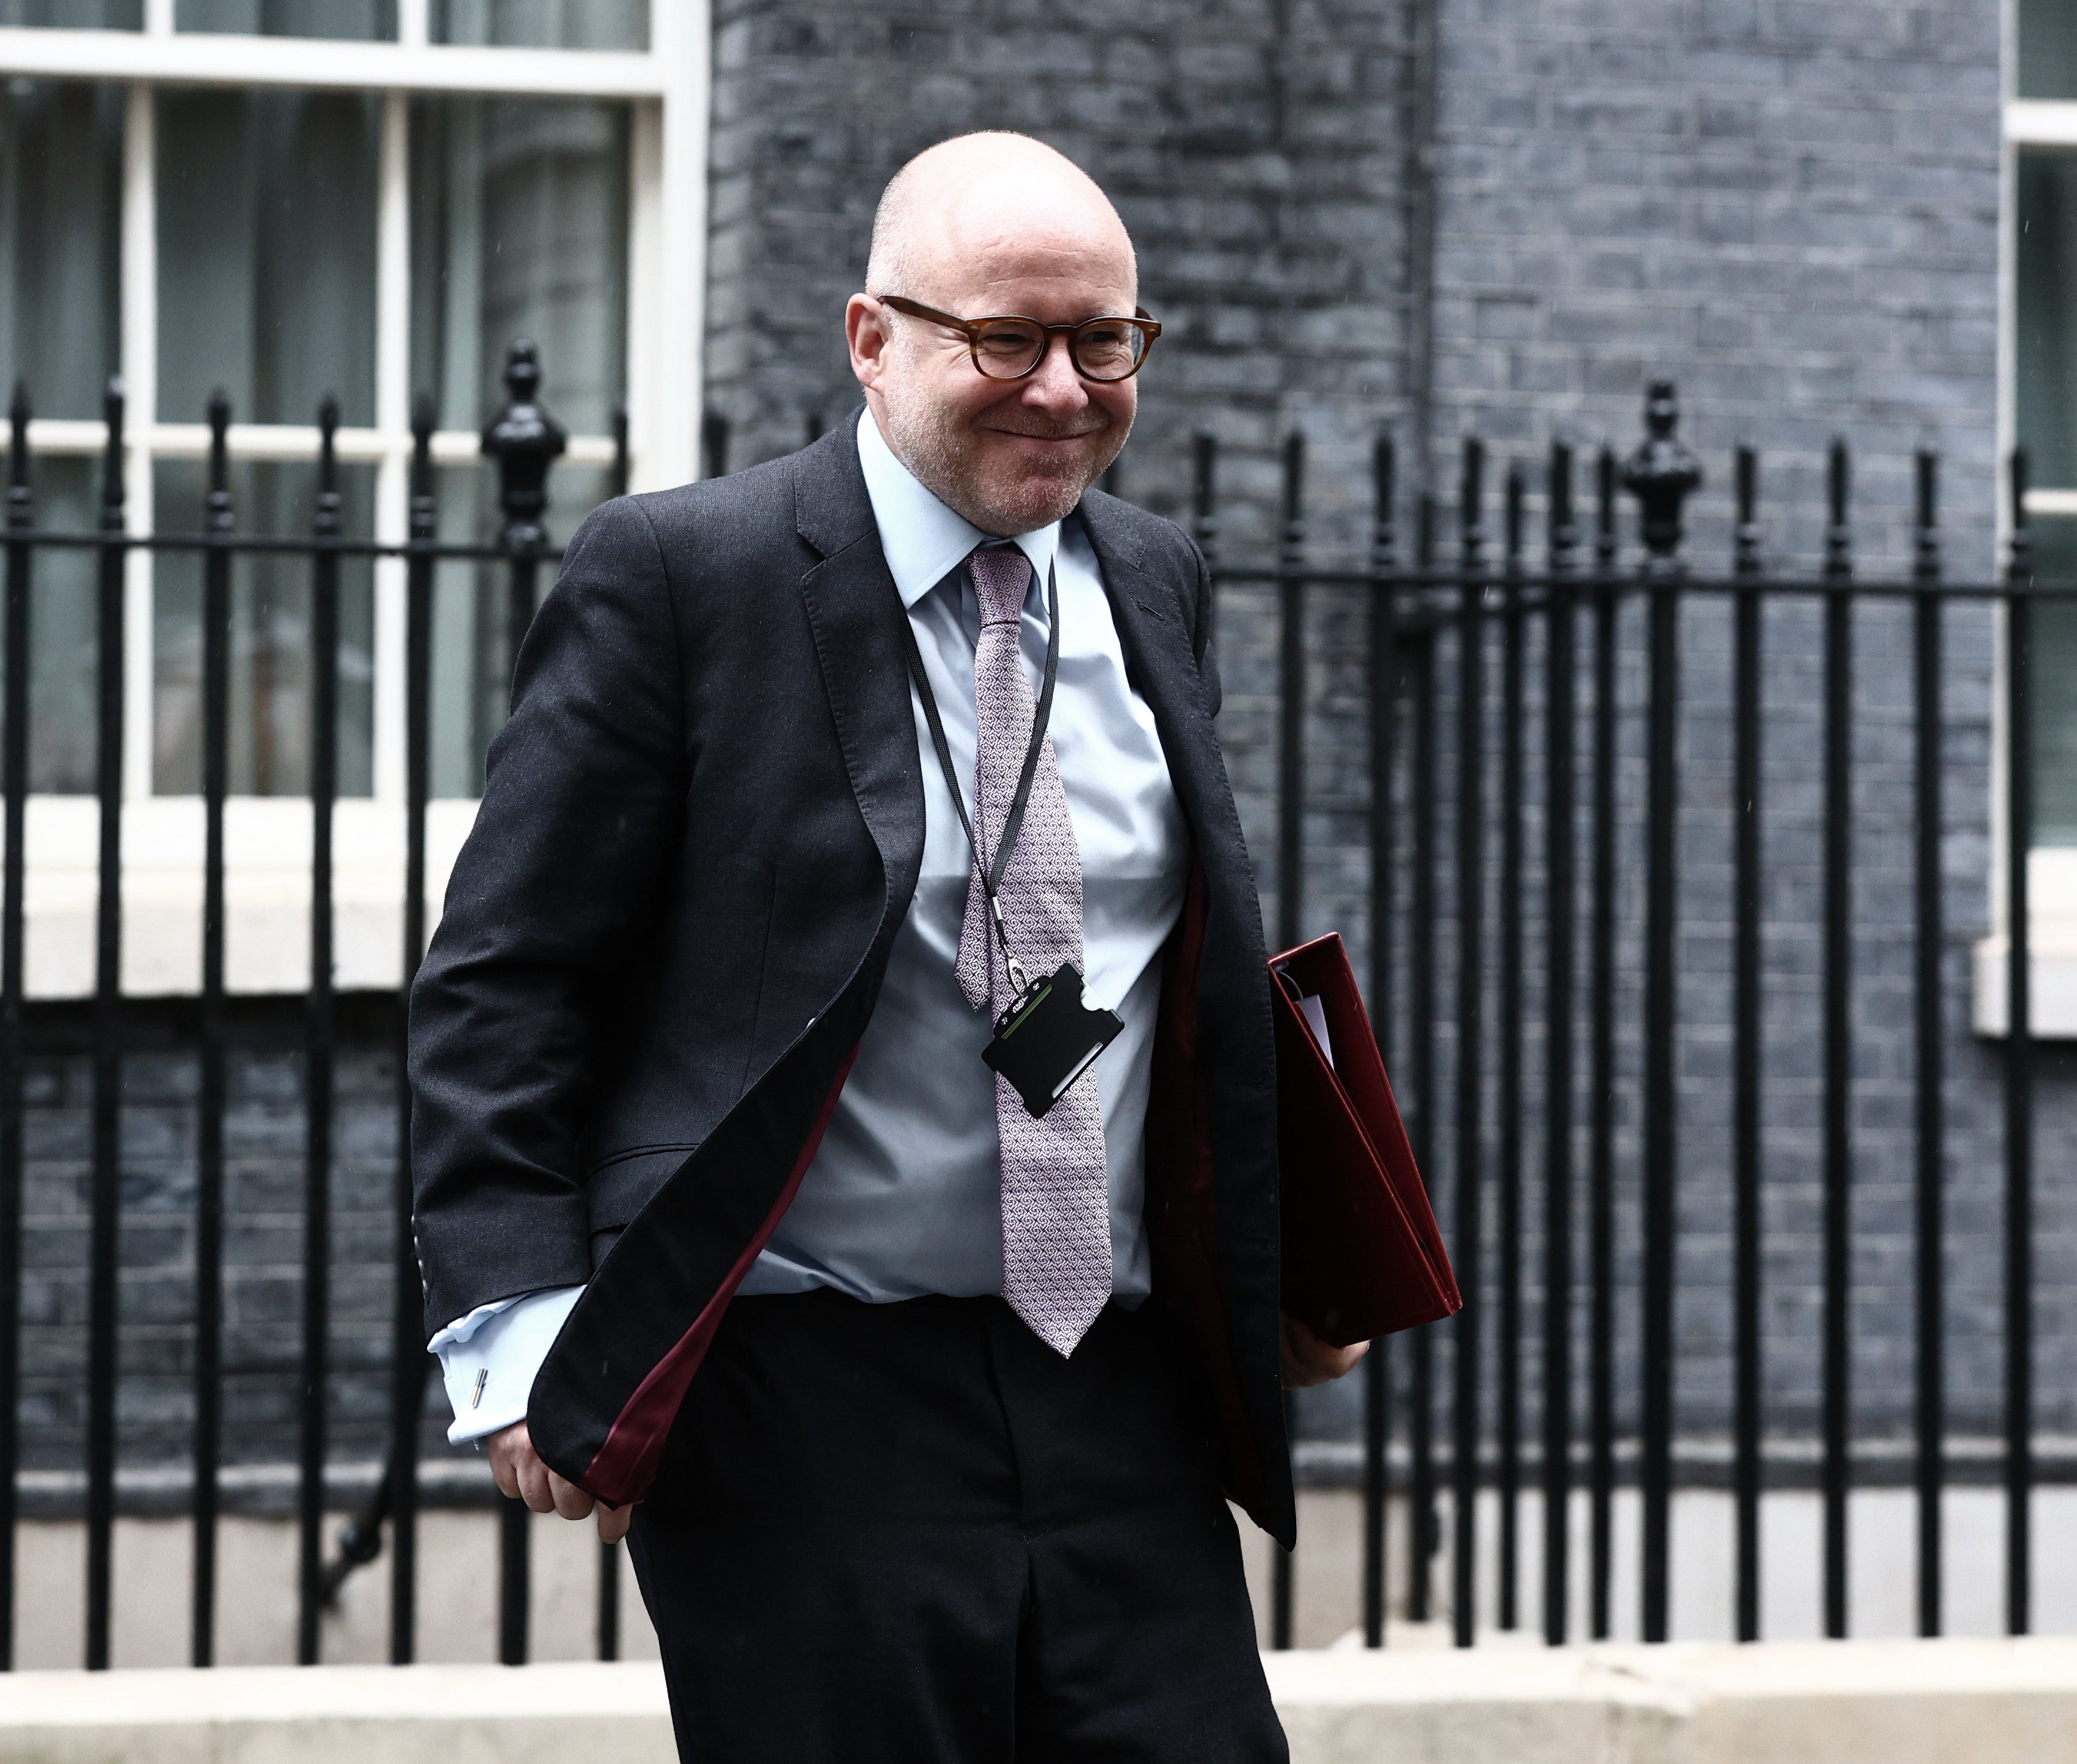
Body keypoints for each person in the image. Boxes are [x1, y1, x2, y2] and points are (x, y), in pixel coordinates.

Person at [407, 130, 1366, 1762]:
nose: (1063, 389)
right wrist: (521, 1332)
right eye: (1007, 339)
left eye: (1105, 341)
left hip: (1117, 1378)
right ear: (873, 337)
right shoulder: (685, 573)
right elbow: (509, 978)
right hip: (798, 1386)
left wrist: (1278, 1252)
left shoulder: (1154, 575)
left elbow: (1176, 966)